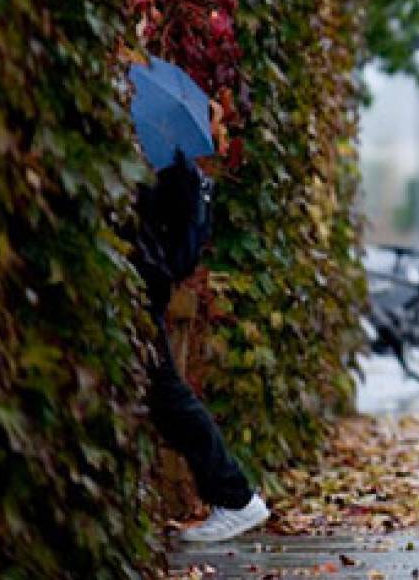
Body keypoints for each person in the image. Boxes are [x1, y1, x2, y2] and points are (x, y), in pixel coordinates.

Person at [128, 151, 270, 543]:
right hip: (146, 282)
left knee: (167, 395)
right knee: (160, 395)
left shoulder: (158, 162)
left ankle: (236, 496)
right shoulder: (172, 160)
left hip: (138, 283)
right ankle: (232, 495)